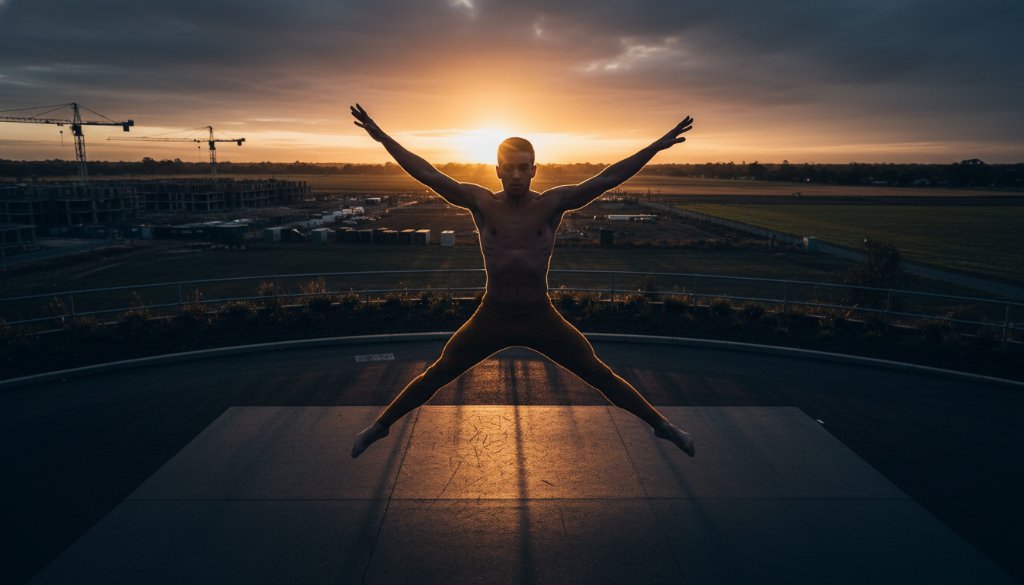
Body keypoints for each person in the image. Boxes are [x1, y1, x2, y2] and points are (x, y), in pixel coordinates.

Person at [349, 103, 695, 458]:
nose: (516, 175)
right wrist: (383, 138)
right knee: (438, 373)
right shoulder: (481, 202)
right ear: (497, 170)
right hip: (492, 315)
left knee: (597, 372)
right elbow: (428, 174)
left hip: (540, 315)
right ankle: (380, 426)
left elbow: (607, 179)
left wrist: (654, 148)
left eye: (523, 167)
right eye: (509, 168)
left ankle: (661, 425)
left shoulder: (552, 203)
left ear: (534, 170)